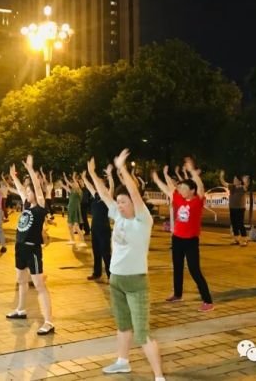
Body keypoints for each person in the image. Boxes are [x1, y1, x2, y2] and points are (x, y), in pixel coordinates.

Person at [88, 150, 165, 380]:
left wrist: (122, 169)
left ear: (134, 202)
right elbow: (103, 194)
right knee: (123, 326)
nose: (119, 205)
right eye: (118, 202)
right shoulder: (118, 216)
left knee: (142, 334)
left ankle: (159, 376)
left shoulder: (143, 220)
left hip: (136, 282)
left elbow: (133, 191)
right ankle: (122, 362)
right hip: (116, 280)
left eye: (123, 202)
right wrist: (93, 173)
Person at [153, 159, 213, 311]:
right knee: (177, 267)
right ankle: (177, 294)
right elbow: (167, 190)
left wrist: (193, 172)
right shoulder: (179, 198)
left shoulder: (197, 201)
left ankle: (208, 301)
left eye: (184, 188)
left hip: (191, 241)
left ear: (192, 190)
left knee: (194, 270)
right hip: (177, 238)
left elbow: (200, 186)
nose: (181, 190)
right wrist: (157, 179)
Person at [6, 155, 54, 336]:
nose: (26, 194)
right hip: (20, 247)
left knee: (39, 285)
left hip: (33, 248)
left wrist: (31, 170)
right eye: (26, 192)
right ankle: (20, 310)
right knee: (21, 281)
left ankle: (48, 321)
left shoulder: (40, 206)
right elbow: (19, 188)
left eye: (29, 191)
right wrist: (15, 177)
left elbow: (37, 189)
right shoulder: (26, 203)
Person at [82, 166, 112, 281]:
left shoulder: (107, 196)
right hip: (94, 228)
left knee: (106, 253)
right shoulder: (95, 196)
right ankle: (97, 273)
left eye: (101, 184)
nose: (98, 185)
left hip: (104, 228)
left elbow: (112, 187)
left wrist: (109, 176)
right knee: (96, 252)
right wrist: (84, 178)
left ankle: (111, 276)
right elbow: (90, 186)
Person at [219, 171, 249, 246]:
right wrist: (221, 176)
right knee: (234, 224)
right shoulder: (232, 186)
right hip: (232, 208)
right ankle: (236, 240)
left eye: (235, 180)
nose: (234, 181)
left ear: (239, 181)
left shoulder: (242, 188)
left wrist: (245, 181)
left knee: (240, 224)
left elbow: (246, 185)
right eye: (233, 179)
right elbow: (223, 182)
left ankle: (245, 240)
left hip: (240, 208)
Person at [61, 173, 86, 246]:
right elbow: (65, 186)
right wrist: (64, 177)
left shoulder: (79, 192)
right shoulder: (72, 191)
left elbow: (75, 185)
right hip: (70, 210)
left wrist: (73, 177)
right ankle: (72, 240)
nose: (73, 184)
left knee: (76, 227)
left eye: (75, 184)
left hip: (75, 210)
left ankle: (83, 241)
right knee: (69, 226)